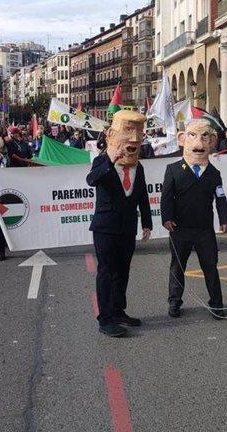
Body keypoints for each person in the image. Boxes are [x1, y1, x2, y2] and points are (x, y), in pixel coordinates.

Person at [86, 110, 152, 338]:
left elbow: (142, 196)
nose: (134, 138)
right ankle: (105, 319)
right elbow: (91, 180)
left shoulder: (138, 167)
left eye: (139, 132)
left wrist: (147, 222)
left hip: (127, 227)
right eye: (128, 131)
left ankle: (118, 310)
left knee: (122, 272)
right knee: (106, 271)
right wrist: (111, 160)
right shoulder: (101, 161)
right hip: (105, 227)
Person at [161, 119, 227, 319]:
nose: (199, 143)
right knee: (177, 266)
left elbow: (220, 197)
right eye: (193, 135)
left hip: (204, 229)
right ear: (183, 139)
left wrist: (224, 219)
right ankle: (174, 301)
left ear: (212, 141)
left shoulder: (214, 173)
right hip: (179, 228)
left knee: (210, 267)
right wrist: (167, 218)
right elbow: (166, 197)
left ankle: (216, 304)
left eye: (205, 136)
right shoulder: (173, 169)